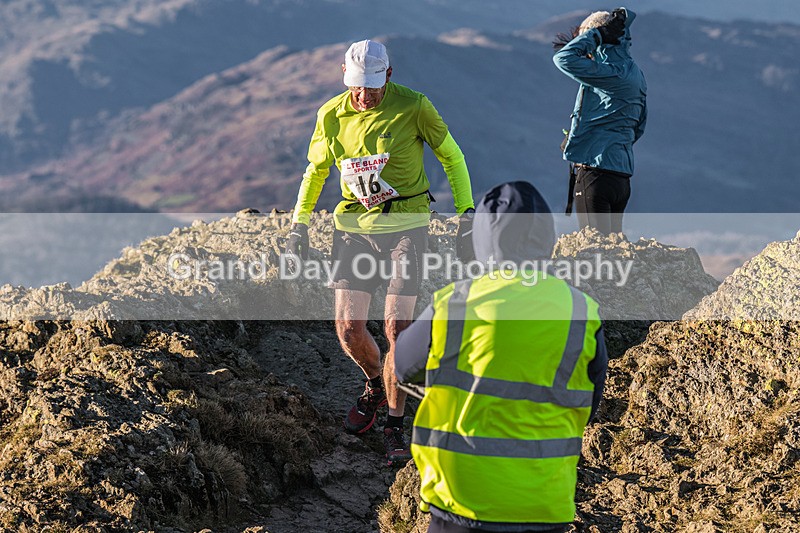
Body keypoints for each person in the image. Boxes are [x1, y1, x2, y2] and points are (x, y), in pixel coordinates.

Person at [283, 39, 475, 465]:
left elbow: (452, 157)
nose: (363, 95)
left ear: (388, 75)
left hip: (407, 224)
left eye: (371, 86)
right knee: (349, 330)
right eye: (356, 85)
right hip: (352, 228)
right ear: (344, 76)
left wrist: (467, 214)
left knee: (396, 329)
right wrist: (299, 224)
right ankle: (375, 382)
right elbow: (315, 171)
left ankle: (394, 422)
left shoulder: (415, 106)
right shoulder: (331, 115)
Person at [395, 181, 608, 533]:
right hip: (544, 504)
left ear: (482, 237)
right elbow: (590, 403)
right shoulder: (580, 311)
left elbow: (403, 366)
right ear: (546, 236)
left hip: (461, 502)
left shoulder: (457, 302)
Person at [553, 8, 647, 235]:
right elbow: (638, 126)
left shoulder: (608, 72)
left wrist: (597, 36)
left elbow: (562, 58)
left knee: (595, 257)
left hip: (595, 175)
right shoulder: (633, 72)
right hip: (621, 178)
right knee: (612, 255)